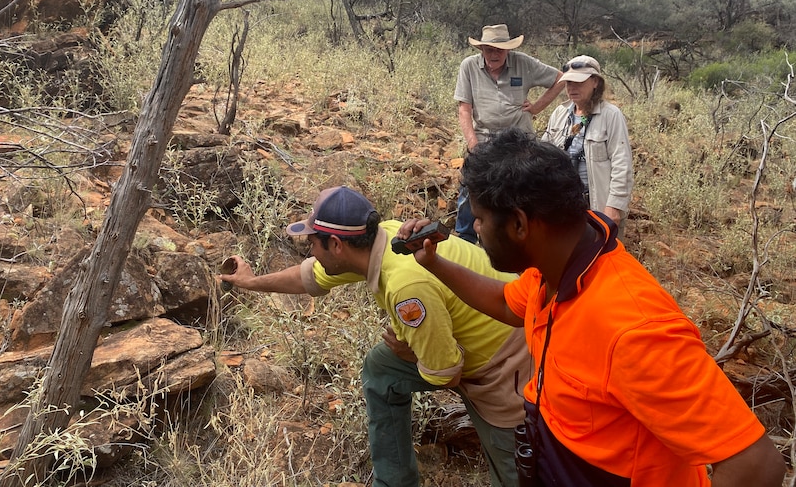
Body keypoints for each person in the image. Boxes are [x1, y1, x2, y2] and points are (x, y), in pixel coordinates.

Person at [400, 129, 786, 487]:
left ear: (519, 224)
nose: (477, 230)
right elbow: (507, 303)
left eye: (480, 220)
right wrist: (433, 263)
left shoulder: (633, 328)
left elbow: (756, 465)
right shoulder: (552, 266)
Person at [218, 186, 531, 487]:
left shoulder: (406, 287)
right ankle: (394, 481)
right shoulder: (381, 239)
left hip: (507, 361)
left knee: (515, 473)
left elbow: (447, 373)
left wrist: (413, 354)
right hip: (466, 338)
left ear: (337, 246)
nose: (310, 251)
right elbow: (310, 276)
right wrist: (251, 282)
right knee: (383, 367)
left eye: (312, 243)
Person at [454, 24, 564, 243]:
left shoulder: (523, 63)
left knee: (521, 188)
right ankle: (465, 237)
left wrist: (537, 107)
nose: (494, 54)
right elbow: (464, 108)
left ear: (508, 50)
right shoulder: (468, 66)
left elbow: (560, 79)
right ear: (481, 49)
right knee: (471, 186)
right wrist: (473, 143)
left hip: (518, 139)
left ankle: (516, 240)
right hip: (484, 137)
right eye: (489, 49)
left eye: (500, 49)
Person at [541, 55, 633, 238]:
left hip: (598, 206)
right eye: (568, 83)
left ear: (595, 82)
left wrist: (613, 207)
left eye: (578, 82)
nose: (572, 88)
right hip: (564, 205)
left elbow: (622, 163)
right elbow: (544, 155)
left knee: (603, 260)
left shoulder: (611, 115)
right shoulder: (560, 113)